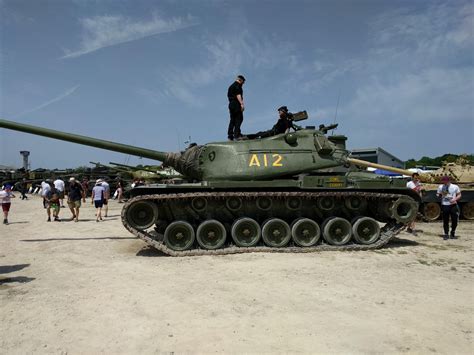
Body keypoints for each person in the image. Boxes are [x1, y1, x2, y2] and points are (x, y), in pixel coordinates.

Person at [437, 176, 462, 240]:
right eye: (443, 181)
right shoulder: (441, 187)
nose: (444, 182)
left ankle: (453, 231)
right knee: (445, 220)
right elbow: (438, 195)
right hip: (445, 205)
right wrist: (439, 195)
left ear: (449, 181)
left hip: (453, 205)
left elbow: (459, 195)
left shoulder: (455, 187)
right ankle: (446, 234)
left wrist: (455, 199)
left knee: (455, 220)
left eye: (446, 181)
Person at [227, 75, 246, 141]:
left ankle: (230, 136)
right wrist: (242, 104)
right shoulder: (238, 85)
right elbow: (238, 95)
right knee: (239, 119)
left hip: (231, 104)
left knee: (232, 120)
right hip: (236, 104)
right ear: (240, 80)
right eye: (243, 82)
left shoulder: (230, 86)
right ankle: (237, 135)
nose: (242, 84)